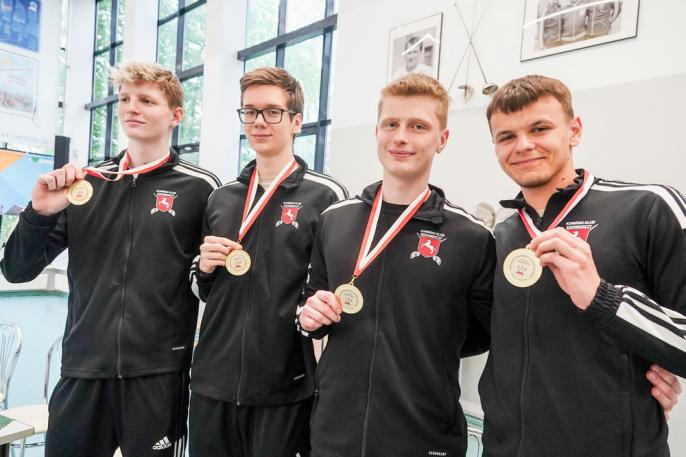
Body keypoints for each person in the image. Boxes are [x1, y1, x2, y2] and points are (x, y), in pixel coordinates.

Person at [0, 62, 220, 456]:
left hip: (158, 376)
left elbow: (208, 283)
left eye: (146, 101)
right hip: (83, 370)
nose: (132, 107)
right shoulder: (85, 183)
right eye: (125, 99)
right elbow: (16, 270)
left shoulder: (201, 188)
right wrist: (39, 213)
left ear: (175, 116)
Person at [480, 74, 686, 457]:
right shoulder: (503, 234)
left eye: (539, 129)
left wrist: (602, 297)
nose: (523, 145)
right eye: (506, 136)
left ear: (574, 130)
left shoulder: (647, 208)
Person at [297, 73, 494, 457]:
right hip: (336, 432)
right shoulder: (335, 220)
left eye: (418, 126)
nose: (401, 137)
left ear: (442, 139)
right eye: (391, 124)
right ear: (377, 132)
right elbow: (308, 302)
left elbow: (483, 333)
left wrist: (426, 344)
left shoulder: (471, 237)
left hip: (424, 436)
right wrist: (309, 315)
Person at [188, 67, 347, 457]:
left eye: (272, 112)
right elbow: (201, 289)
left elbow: (331, 291)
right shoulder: (222, 197)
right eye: (250, 111)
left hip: (284, 385)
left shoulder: (326, 197)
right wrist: (203, 268)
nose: (259, 121)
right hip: (212, 381)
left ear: (296, 122)